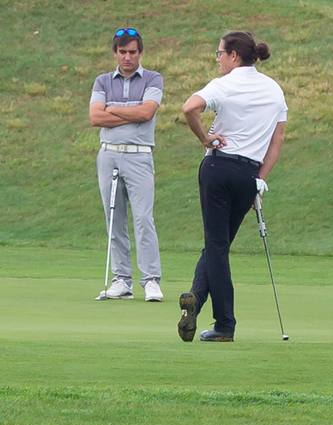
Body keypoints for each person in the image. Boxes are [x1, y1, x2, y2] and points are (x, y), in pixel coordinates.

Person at [173, 31, 285, 344]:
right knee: (218, 244)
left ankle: (225, 324)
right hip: (249, 175)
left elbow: (189, 108)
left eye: (220, 53)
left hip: (218, 167)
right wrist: (260, 179)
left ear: (234, 55)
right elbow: (277, 140)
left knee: (216, 245)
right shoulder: (274, 89)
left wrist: (204, 138)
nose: (218, 59)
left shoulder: (224, 84)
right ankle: (196, 298)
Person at [88, 27, 163, 302]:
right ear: (115, 53)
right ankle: (122, 279)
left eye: (132, 52)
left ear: (140, 52)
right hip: (108, 155)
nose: (127, 57)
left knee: (143, 218)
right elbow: (95, 118)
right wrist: (132, 113)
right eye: (122, 52)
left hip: (139, 155)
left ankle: (151, 280)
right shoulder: (102, 82)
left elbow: (147, 112)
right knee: (114, 218)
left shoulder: (153, 79)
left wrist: (112, 109)